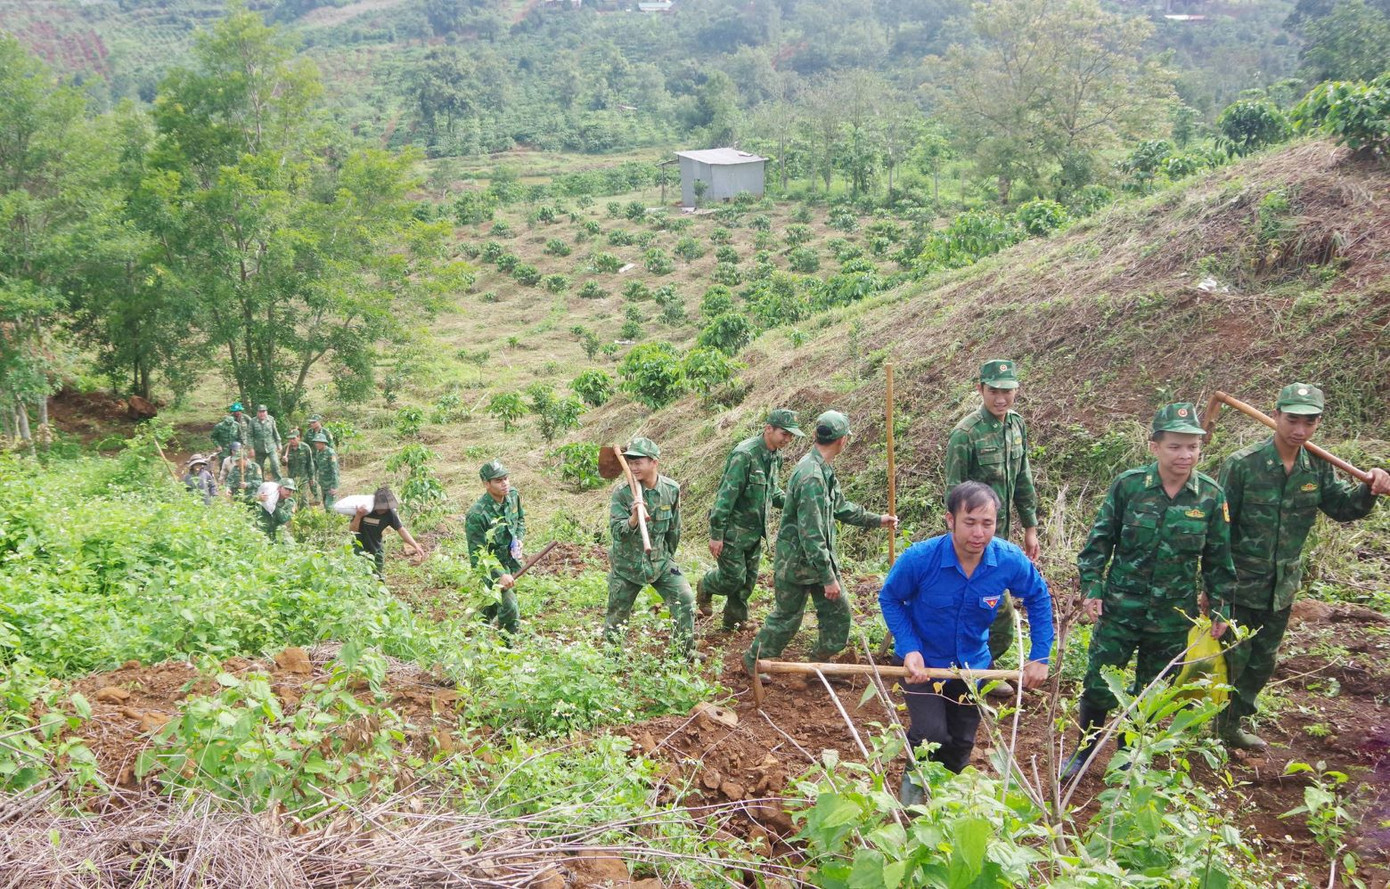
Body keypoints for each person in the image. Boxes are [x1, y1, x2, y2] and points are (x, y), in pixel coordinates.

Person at [1063, 403, 1235, 780]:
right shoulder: (1129, 486)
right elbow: (1099, 542)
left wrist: (1220, 607)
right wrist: (1092, 588)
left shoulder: (1210, 496)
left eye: (1192, 446)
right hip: (1120, 608)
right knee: (1099, 682)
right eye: (1175, 446)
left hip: (1172, 616)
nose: (1185, 455)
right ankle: (1083, 751)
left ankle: (1127, 759)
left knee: (1151, 690)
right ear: (1154, 446)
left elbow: (1219, 559)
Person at [1216, 383, 1390, 749]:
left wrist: (1369, 489)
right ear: (1276, 415)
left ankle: (1231, 726)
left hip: (1281, 586)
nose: (1299, 430)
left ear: (1318, 423)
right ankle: (1209, 723)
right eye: (1292, 420)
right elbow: (1217, 531)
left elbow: (1342, 508)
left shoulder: (1317, 466)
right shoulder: (1242, 465)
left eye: (1308, 423)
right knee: (1231, 657)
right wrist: (1211, 587)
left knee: (1262, 661)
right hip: (1239, 583)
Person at [881, 482, 1053, 800]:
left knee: (961, 741)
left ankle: (946, 802)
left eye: (987, 524)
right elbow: (890, 598)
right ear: (950, 520)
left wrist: (1039, 655)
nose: (979, 533)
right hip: (923, 664)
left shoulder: (1008, 560)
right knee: (931, 733)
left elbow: (1039, 597)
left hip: (973, 665)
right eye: (970, 522)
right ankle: (911, 802)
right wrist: (909, 648)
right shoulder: (921, 559)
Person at [743, 411, 898, 678]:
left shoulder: (822, 468)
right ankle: (753, 662)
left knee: (838, 616)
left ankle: (817, 665)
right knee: (787, 618)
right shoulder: (811, 476)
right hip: (799, 563)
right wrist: (828, 578)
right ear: (842, 440)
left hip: (815, 560)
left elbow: (839, 507)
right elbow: (811, 535)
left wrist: (878, 520)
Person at [944, 359, 1041, 697]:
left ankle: (972, 671)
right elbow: (953, 491)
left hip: (1002, 536)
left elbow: (1023, 479)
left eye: (1007, 391)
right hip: (973, 539)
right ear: (980, 389)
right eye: (994, 391)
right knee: (995, 609)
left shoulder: (1016, 426)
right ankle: (973, 674)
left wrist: (1031, 526)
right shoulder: (966, 434)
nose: (1001, 398)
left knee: (989, 604)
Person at [697, 408, 802, 631]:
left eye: (791, 435)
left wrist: (796, 502)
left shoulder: (775, 457)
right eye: (784, 434)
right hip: (733, 530)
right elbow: (725, 497)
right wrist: (717, 535)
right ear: (768, 429)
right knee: (733, 578)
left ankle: (733, 621)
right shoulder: (744, 455)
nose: (788, 439)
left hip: (755, 531)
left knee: (747, 582)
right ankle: (705, 584)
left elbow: (772, 493)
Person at [603, 437, 696, 660]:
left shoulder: (671, 489)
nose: (633, 467)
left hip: (661, 562)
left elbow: (674, 529)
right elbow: (617, 532)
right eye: (630, 463)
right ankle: (612, 660)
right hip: (627, 566)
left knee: (685, 600)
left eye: (638, 462)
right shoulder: (623, 493)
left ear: (654, 462)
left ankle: (682, 653)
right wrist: (634, 518)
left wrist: (667, 558)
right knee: (617, 615)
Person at [465, 460, 527, 635]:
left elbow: (520, 519)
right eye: (498, 481)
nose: (505, 483)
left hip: (510, 561)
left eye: (506, 478)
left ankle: (476, 634)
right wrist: (500, 575)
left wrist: (519, 538)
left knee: (492, 603)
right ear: (486, 484)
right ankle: (508, 649)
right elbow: (478, 554)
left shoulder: (513, 496)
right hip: (490, 569)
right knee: (510, 607)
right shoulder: (477, 515)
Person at [350, 486, 425, 578]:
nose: (382, 510)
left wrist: (416, 545)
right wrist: (358, 515)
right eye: (380, 507)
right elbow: (353, 531)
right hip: (359, 547)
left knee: (377, 576)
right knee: (359, 575)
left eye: (385, 508)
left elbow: (401, 530)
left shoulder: (390, 514)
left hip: (376, 547)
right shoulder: (364, 511)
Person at [282, 428, 318, 506]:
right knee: (293, 499)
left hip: (303, 478)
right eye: (290, 439)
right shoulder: (286, 448)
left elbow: (310, 464)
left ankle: (306, 515)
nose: (292, 441)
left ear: (298, 437)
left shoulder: (305, 448)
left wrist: (311, 478)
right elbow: (283, 464)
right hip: (291, 479)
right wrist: (284, 461)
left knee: (303, 498)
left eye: (293, 438)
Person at [248, 404, 282, 480]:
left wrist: (279, 443)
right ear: (257, 412)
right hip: (259, 448)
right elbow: (249, 435)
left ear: (266, 412)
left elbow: (275, 432)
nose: (262, 413)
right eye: (260, 412)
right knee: (259, 467)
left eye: (263, 411)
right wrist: (251, 448)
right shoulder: (252, 421)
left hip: (271, 447)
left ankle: (279, 481)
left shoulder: (271, 419)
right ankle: (260, 483)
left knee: (275, 464)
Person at [311, 432, 339, 511]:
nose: (317, 444)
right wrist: (314, 478)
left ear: (323, 443)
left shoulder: (330, 452)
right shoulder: (318, 452)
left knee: (329, 505)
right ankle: (329, 521)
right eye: (316, 442)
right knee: (325, 504)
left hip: (330, 483)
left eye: (319, 442)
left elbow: (335, 470)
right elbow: (316, 466)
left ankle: (333, 521)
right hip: (323, 483)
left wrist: (334, 487)